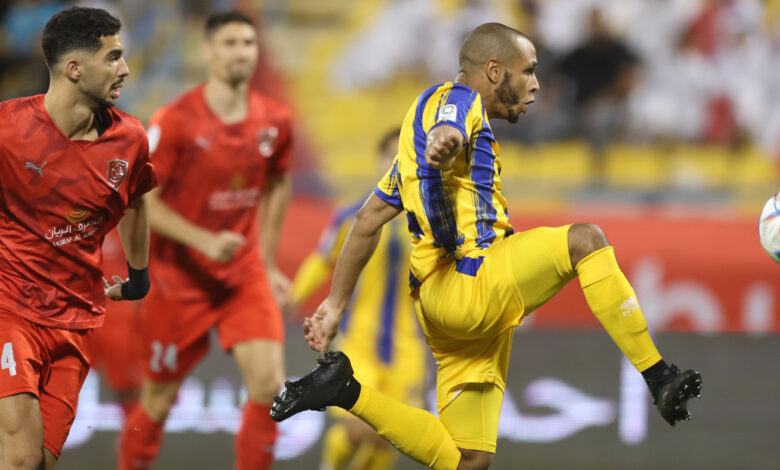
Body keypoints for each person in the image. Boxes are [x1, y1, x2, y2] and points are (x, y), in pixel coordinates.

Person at [271, 23, 702, 470]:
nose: (536, 83)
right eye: (529, 71)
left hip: (438, 306)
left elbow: (366, 222)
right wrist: (447, 141)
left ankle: (345, 390)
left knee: (468, 460)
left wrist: (335, 305)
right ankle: (659, 377)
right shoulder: (460, 102)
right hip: (472, 279)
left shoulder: (411, 140)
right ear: (495, 71)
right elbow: (452, 128)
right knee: (585, 242)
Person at [118, 11, 293, 470]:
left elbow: (278, 183)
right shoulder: (175, 121)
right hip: (180, 281)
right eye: (231, 43)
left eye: (248, 44)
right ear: (208, 51)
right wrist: (203, 240)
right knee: (156, 400)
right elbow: (142, 201)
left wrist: (269, 262)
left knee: (269, 387)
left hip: (242, 276)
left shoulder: (275, 120)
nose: (241, 52)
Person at [0, 6, 156, 469]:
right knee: (22, 460)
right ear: (74, 69)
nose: (125, 69)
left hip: (74, 321)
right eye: (113, 57)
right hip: (10, 310)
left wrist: (139, 276)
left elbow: (136, 201)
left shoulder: (130, 139)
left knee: (41, 464)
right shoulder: (7, 131)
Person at [290, 129, 427, 470]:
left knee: (389, 437)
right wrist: (294, 297)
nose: (398, 163)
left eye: (406, 156)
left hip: (406, 347)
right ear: (380, 163)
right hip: (360, 341)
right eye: (391, 156)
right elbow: (322, 261)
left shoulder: (429, 222)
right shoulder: (352, 215)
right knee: (357, 428)